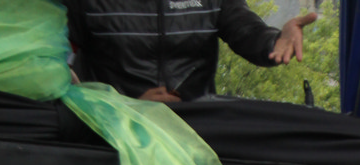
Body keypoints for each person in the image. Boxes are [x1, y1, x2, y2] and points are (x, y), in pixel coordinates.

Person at [66, 0, 318, 104]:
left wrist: (276, 41)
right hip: (112, 140)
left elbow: (246, 30)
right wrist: (130, 108)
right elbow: (56, 64)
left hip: (196, 134)